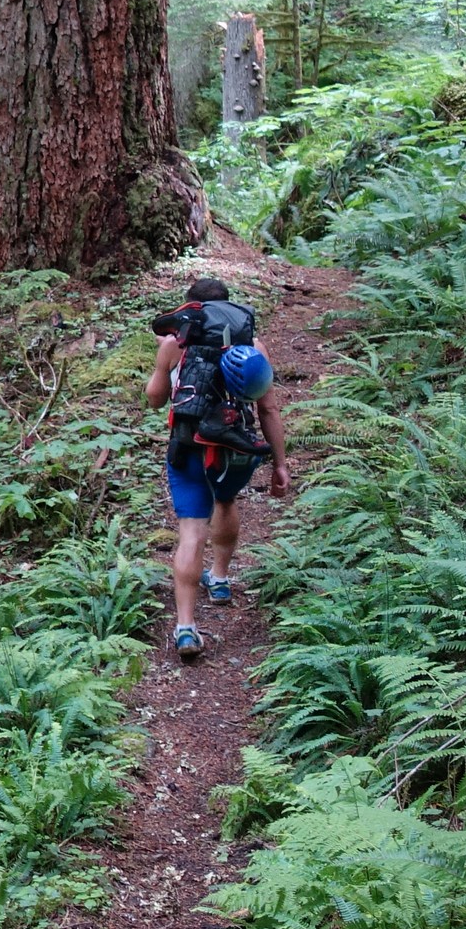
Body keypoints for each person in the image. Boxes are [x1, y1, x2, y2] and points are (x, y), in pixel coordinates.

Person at [145, 276, 291, 661]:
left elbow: (155, 399)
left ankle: (185, 627)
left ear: (191, 308)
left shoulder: (175, 344)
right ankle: (221, 579)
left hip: (189, 446)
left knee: (191, 532)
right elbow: (268, 409)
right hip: (236, 448)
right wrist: (280, 463)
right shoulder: (253, 345)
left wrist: (165, 359)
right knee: (225, 501)